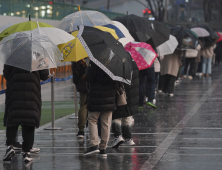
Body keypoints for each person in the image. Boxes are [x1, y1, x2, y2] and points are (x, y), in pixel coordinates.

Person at [3, 65, 49, 162]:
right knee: (29, 121)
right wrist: (45, 64)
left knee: (13, 120)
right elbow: (44, 75)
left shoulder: (13, 55)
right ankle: (26, 152)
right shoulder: (36, 56)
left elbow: (6, 74)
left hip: (14, 93)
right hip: (31, 94)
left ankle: (10, 146)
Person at [83, 61, 118, 157]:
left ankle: (94, 145)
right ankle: (103, 148)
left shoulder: (95, 63)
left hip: (95, 96)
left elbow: (89, 79)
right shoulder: (114, 64)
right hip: (110, 96)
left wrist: (88, 68)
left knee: (92, 119)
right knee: (106, 122)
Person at [111, 60, 139, 148]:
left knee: (116, 115)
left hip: (121, 93)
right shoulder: (133, 62)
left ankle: (117, 136)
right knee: (127, 115)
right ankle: (128, 138)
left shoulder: (116, 62)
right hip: (132, 94)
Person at [71, 59, 88, 138]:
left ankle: (81, 130)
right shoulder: (94, 53)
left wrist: (78, 82)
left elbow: (75, 73)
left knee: (83, 106)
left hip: (83, 84)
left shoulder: (77, 58)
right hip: (94, 84)